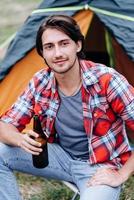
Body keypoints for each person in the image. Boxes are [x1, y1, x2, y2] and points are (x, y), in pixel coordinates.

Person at [0, 14, 134, 200]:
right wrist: (19, 139)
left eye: (64, 43)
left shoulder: (107, 80)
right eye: (49, 47)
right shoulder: (40, 81)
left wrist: (122, 174)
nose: (57, 54)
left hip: (100, 167)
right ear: (42, 53)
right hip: (61, 157)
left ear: (78, 45)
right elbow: (4, 125)